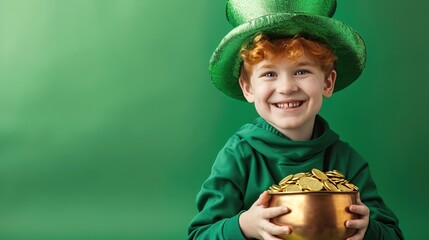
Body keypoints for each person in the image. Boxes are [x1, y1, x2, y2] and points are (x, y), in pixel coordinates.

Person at [188, 0, 404, 239]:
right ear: (248, 88)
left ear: (328, 82)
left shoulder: (346, 161)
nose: (286, 87)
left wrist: (368, 229)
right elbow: (199, 234)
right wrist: (244, 225)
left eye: (301, 71)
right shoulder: (238, 156)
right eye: (269, 73)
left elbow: (392, 234)